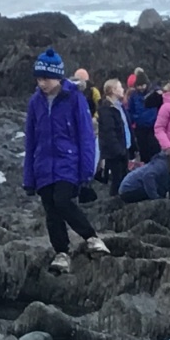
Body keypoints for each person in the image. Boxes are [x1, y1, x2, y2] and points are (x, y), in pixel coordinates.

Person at [23, 48, 109, 273]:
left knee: (62, 201)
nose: (42, 83)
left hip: (68, 163)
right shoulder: (35, 102)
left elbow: (86, 136)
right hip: (43, 165)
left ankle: (91, 237)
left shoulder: (75, 99)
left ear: (58, 76)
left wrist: (87, 169)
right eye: (39, 78)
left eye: (47, 78)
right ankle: (61, 253)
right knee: (51, 210)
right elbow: (30, 140)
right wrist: (28, 177)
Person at [97, 78, 133, 194]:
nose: (123, 89)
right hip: (115, 152)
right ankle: (114, 202)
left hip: (124, 148)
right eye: (120, 87)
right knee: (117, 180)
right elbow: (109, 132)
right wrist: (118, 150)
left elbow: (126, 126)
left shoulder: (120, 106)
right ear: (113, 90)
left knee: (124, 178)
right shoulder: (106, 109)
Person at [126, 75, 163, 161]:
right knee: (143, 150)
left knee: (154, 149)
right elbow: (130, 110)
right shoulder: (134, 96)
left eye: (142, 85)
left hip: (153, 126)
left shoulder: (154, 94)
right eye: (138, 86)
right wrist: (134, 119)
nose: (141, 88)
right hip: (140, 127)